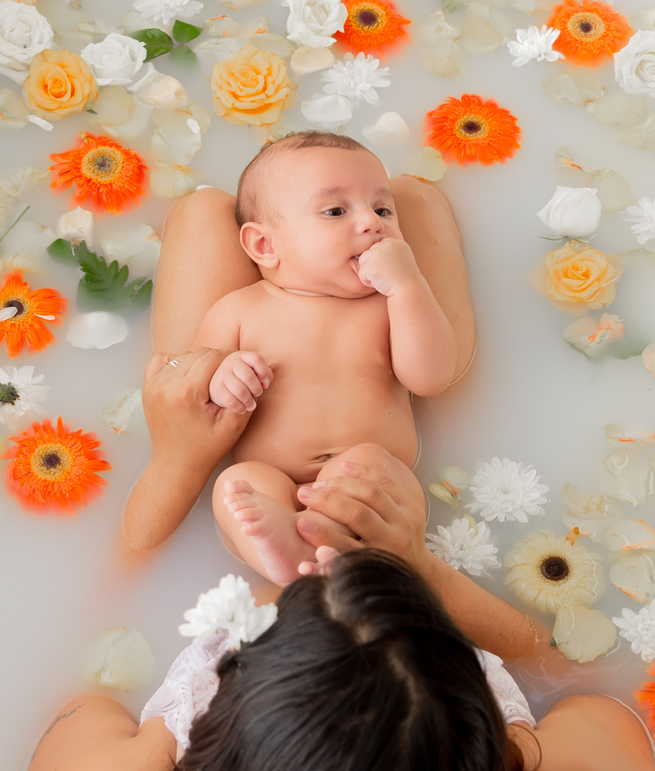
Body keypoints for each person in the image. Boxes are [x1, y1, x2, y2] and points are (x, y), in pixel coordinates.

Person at [20, 184, 655, 771]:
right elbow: (604, 694)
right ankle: (392, 211)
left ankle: (289, 227)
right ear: (499, 770)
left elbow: (79, 686)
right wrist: (423, 572)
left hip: (254, 495)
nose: (327, 568)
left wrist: (180, 458)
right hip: (381, 484)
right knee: (421, 205)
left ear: (202, 766)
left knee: (199, 220)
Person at [192, 132, 460, 584]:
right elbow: (195, 392)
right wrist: (224, 378)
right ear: (264, 246)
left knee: (365, 466)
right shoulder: (239, 309)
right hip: (272, 476)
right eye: (336, 211)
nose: (372, 223)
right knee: (236, 486)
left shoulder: (391, 305)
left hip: (377, 477)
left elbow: (430, 377)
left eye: (382, 209)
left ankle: (326, 548)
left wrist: (408, 286)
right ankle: (280, 552)